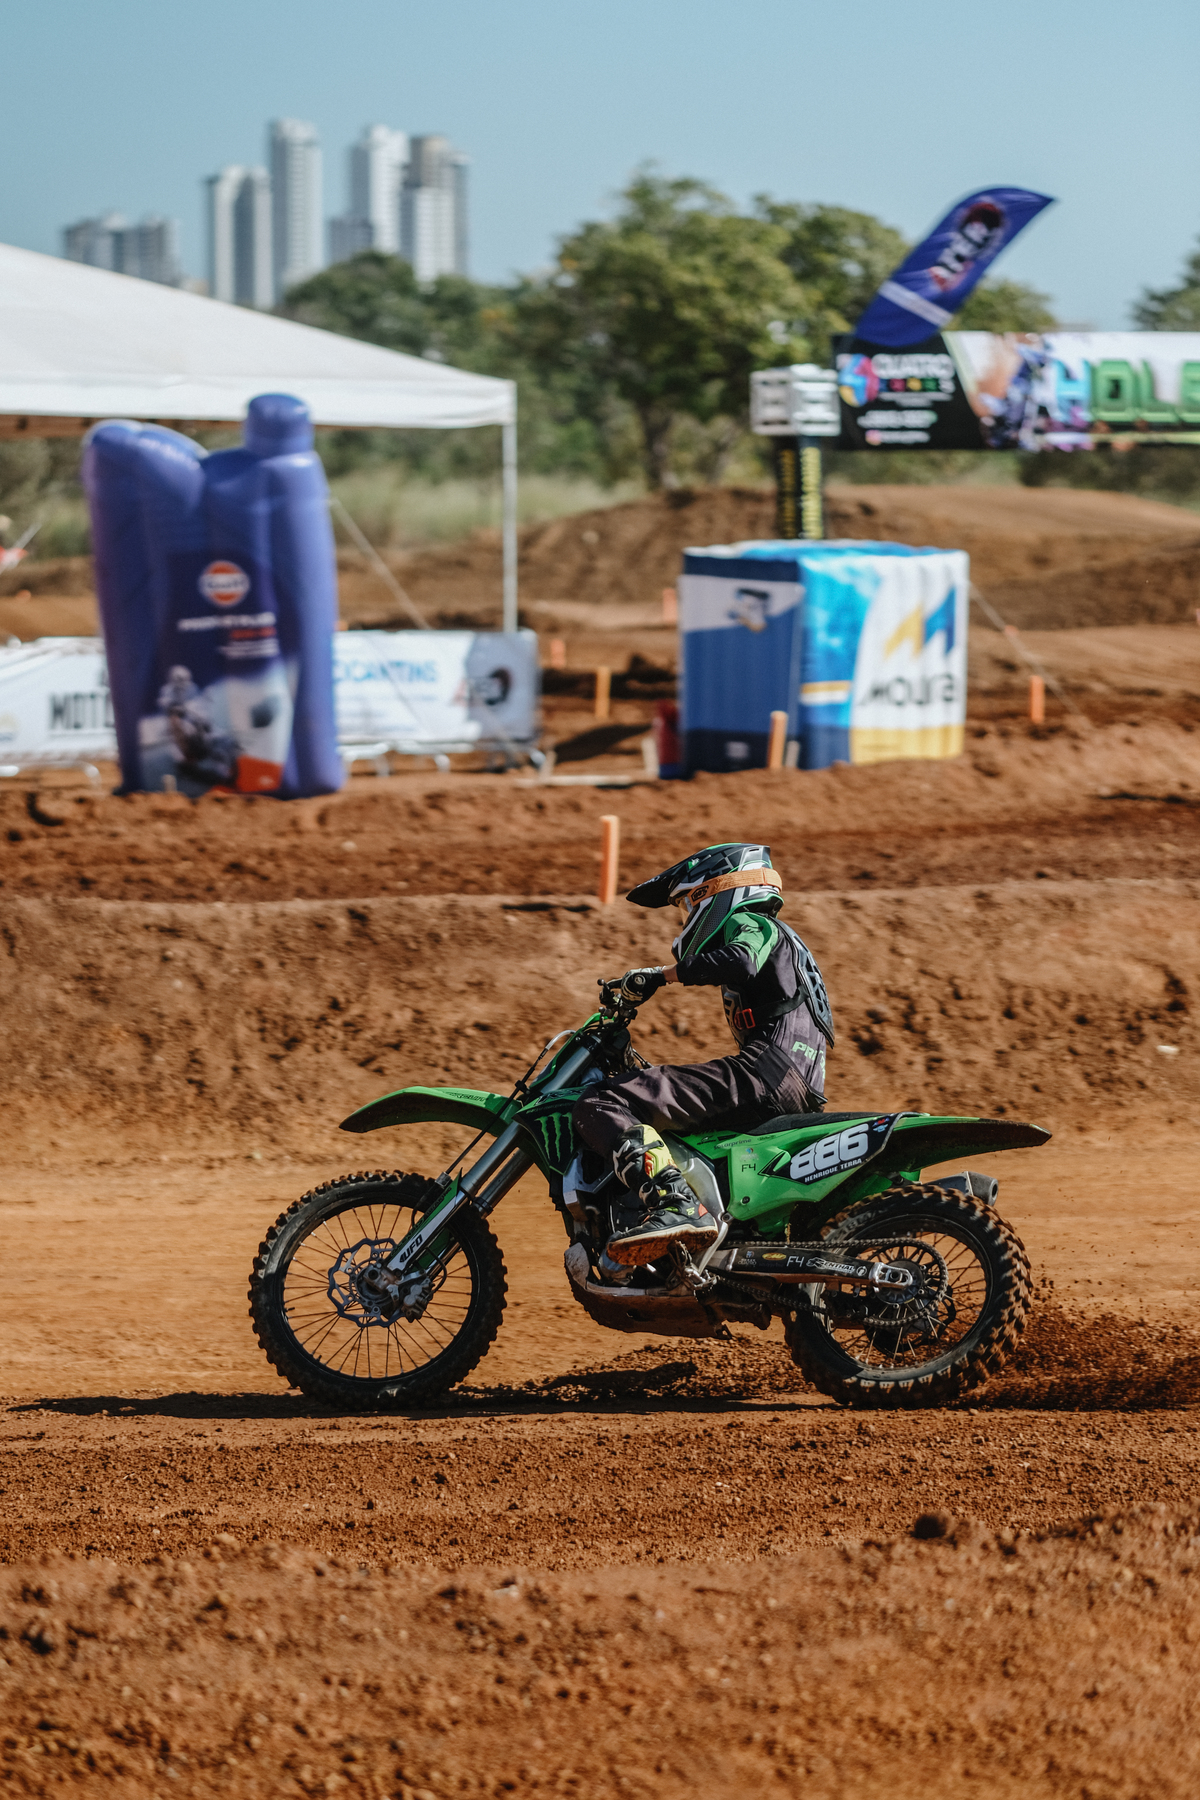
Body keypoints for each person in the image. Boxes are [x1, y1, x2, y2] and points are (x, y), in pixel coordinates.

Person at [572, 842, 834, 1267]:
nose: (685, 920)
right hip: (791, 1079)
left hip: (766, 1072)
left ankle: (673, 1203)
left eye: (685, 905)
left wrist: (660, 976)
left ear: (715, 893)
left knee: (603, 1100)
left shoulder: (755, 922)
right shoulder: (785, 944)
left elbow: (742, 960)